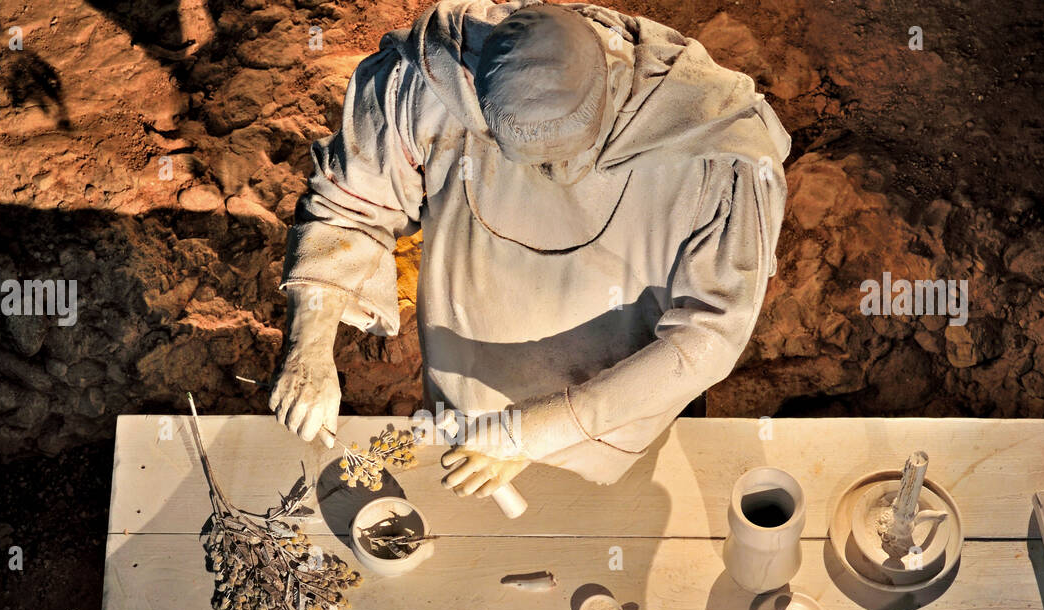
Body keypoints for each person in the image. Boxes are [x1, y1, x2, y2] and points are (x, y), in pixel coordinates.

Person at [270, 0, 789, 500]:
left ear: (610, 81)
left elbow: (709, 336)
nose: (550, 176)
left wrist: (532, 431)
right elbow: (347, 204)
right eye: (518, 154)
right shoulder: (435, 81)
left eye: (565, 155)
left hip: (619, 422)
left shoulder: (718, 149)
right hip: (469, 404)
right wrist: (308, 346)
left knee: (608, 521)